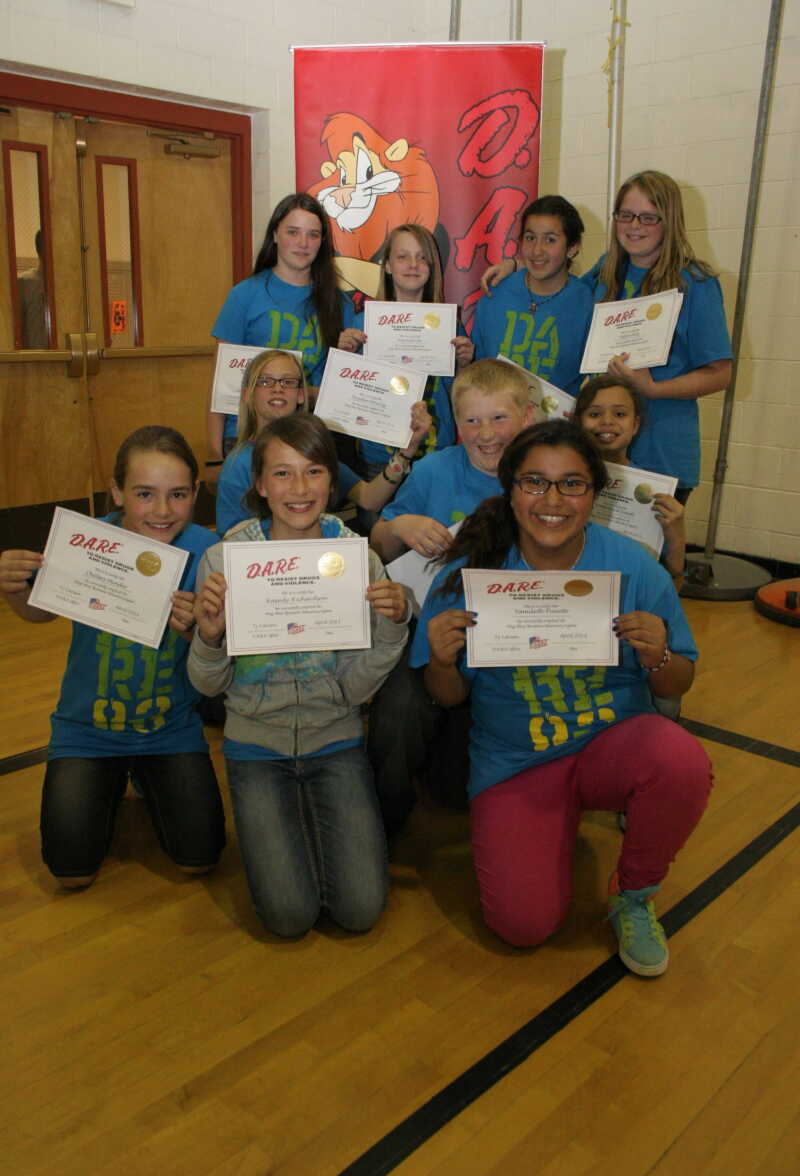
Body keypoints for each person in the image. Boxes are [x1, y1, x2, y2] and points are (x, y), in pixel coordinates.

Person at [412, 419, 711, 976]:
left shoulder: (633, 566)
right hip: (516, 761)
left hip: (610, 749)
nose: (552, 500)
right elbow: (447, 697)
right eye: (534, 482)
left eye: (572, 484)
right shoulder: (470, 573)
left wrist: (659, 655)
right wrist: (441, 661)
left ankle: (635, 895)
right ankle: (549, 829)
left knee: (680, 760)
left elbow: (678, 682)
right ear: (511, 490)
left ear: (594, 493)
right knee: (522, 927)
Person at [188, 415, 409, 938]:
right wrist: (210, 637)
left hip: (336, 742)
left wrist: (393, 628)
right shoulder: (224, 562)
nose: (300, 488)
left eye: (313, 471)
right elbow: (207, 685)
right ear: (260, 485)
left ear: (331, 481)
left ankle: (310, 822)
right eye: (282, 474)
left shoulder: (358, 561)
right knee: (288, 917)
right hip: (254, 748)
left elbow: (357, 686)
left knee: (361, 910)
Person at [0, 427, 226, 889]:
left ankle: (143, 777)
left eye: (178, 494)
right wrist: (14, 590)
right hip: (86, 731)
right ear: (118, 491)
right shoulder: (87, 541)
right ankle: (114, 779)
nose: (162, 511)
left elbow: (217, 652)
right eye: (144, 494)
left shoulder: (206, 553)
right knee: (71, 872)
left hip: (170, 728)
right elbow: (41, 612)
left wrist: (197, 630)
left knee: (200, 860)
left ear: (194, 493)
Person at [484, 173, 732, 498]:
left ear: (669, 220)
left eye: (648, 217)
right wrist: (516, 264)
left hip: (660, 450)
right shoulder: (608, 270)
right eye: (625, 215)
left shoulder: (696, 283)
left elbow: (721, 373)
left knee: (651, 533)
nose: (634, 226)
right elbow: (560, 280)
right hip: (600, 448)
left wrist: (654, 389)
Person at [367, 358, 533, 836]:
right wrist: (401, 525)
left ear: (527, 417)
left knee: (456, 790)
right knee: (398, 713)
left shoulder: (541, 475)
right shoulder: (434, 470)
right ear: (456, 423)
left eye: (499, 418)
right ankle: (384, 821)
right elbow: (379, 545)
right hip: (427, 634)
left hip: (509, 642)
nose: (486, 434)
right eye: (472, 420)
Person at [215, 347, 431, 536]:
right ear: (248, 395)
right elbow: (232, 539)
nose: (277, 388)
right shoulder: (238, 464)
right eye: (265, 381)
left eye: (288, 382)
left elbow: (369, 498)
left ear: (301, 395)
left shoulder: (312, 451)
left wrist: (407, 450)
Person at [207, 192, 356, 467]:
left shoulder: (340, 304)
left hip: (307, 441)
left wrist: (305, 391)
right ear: (275, 234)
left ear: (322, 242)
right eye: (293, 232)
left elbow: (344, 390)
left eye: (313, 235)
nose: (303, 243)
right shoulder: (243, 296)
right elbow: (220, 386)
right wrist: (215, 455)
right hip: (246, 438)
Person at [338, 223, 474, 474]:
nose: (413, 264)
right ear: (388, 266)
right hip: (379, 454)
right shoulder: (362, 325)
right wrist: (344, 357)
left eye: (422, 257)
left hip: (435, 453)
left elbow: (463, 398)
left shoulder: (449, 327)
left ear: (431, 267)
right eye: (403, 256)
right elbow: (345, 398)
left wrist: (464, 366)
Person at [471, 195, 592, 395]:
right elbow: (478, 367)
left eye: (550, 240)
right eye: (530, 238)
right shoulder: (496, 293)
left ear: (572, 248)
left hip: (559, 415)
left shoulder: (587, 303)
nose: (537, 250)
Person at [574, 375, 685, 588]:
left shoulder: (653, 494)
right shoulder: (562, 480)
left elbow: (672, 585)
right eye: (595, 414)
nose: (607, 421)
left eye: (620, 414)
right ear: (579, 422)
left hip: (628, 593)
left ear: (635, 425)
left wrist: (677, 536)